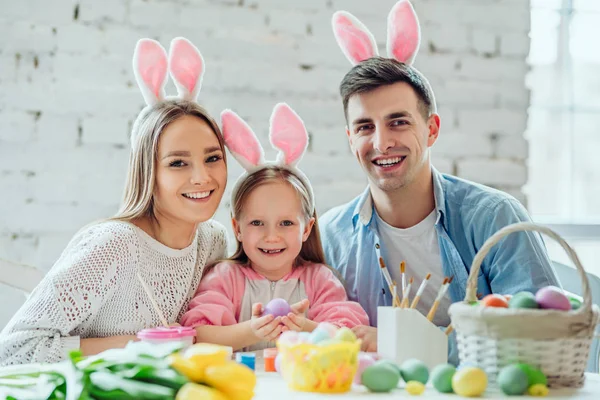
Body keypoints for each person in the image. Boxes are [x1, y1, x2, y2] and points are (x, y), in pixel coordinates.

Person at [320, 0, 558, 354]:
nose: (382, 142)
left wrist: (405, 345)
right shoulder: (330, 237)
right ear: (350, 139)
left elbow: (539, 339)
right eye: (365, 127)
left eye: (398, 122)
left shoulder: (496, 219)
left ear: (432, 129)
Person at [0, 37, 229, 365]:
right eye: (178, 163)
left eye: (212, 158)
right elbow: (15, 350)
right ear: (148, 172)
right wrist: (135, 345)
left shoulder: (212, 241)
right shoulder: (113, 247)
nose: (202, 177)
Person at [181, 103, 369, 351]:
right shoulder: (225, 278)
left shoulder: (320, 280)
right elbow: (199, 334)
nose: (272, 236)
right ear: (237, 228)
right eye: (257, 223)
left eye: (286, 223)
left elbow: (345, 335)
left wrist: (305, 328)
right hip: (244, 386)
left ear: (306, 228)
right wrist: (251, 330)